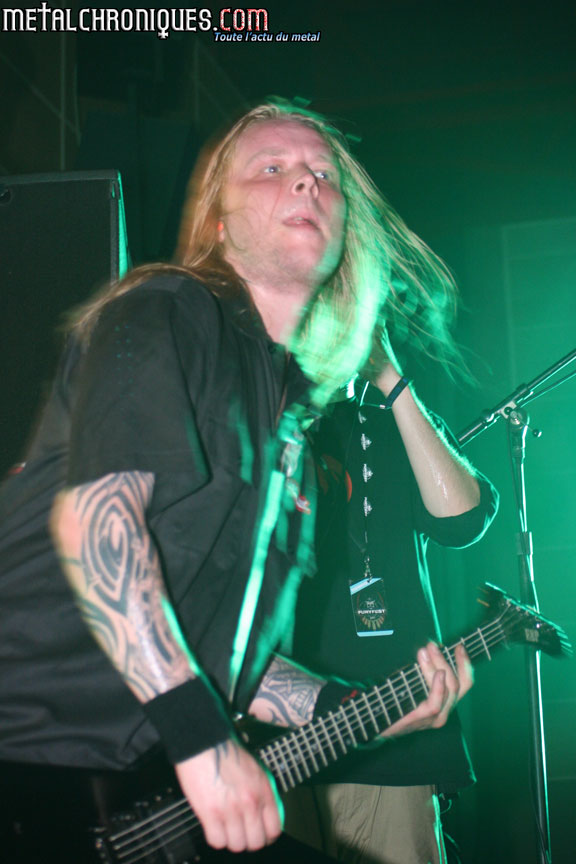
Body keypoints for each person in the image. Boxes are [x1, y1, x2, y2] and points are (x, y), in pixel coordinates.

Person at [0, 100, 474, 863]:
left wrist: (357, 709)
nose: (306, 183)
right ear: (218, 222)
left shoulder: (291, 432)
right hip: (27, 769)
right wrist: (201, 738)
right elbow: (96, 523)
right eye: (271, 168)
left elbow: (227, 662)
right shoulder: (166, 308)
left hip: (131, 796)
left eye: (324, 175)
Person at [282, 242, 499, 860]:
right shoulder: (265, 414)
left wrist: (390, 378)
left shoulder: (393, 424)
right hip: (278, 736)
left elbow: (461, 519)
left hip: (391, 732)